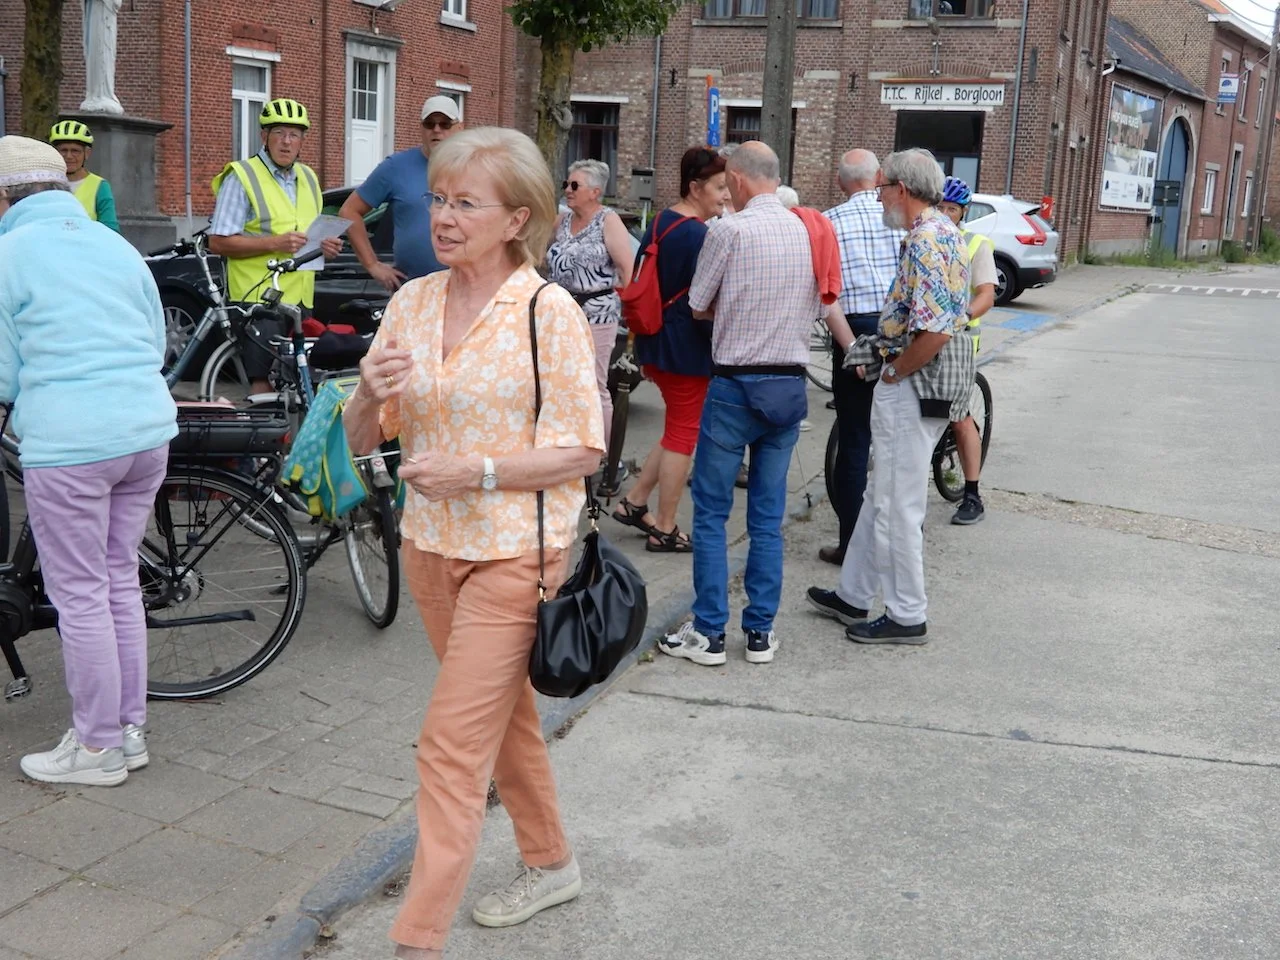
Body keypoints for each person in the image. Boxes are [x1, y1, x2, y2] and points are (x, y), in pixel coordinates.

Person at [342, 127, 605, 960]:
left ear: (516, 219)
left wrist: (477, 472)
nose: (443, 218)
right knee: (504, 718)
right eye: (437, 200)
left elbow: (583, 449)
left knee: (451, 745)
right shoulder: (412, 302)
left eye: (466, 203)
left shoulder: (546, 311)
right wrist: (363, 398)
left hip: (514, 552)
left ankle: (417, 940)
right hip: (427, 545)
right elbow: (362, 442)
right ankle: (552, 861)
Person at [0, 136, 176, 785]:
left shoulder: (8, 254)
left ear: (3, 198)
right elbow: (154, 338)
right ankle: (128, 732)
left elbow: (4, 373)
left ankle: (96, 749)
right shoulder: (116, 245)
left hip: (71, 444)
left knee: (78, 595)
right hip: (146, 432)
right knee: (117, 579)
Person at [657, 140, 820, 668]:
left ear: (740, 180)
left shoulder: (728, 231)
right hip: (788, 387)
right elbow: (818, 304)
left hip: (734, 385)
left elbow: (698, 304)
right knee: (767, 518)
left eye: (730, 182)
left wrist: (732, 308)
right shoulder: (806, 230)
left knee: (711, 513)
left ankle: (708, 632)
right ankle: (760, 634)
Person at [808, 148, 974, 645]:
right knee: (883, 494)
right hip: (926, 384)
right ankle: (853, 593)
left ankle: (906, 613)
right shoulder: (944, 230)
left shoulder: (925, 239)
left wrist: (895, 372)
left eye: (882, 188)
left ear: (901, 189)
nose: (878, 197)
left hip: (914, 385)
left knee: (897, 503)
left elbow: (935, 329)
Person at [610, 146, 729, 553]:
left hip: (655, 337)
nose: (725, 195)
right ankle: (664, 527)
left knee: (676, 427)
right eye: (719, 187)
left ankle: (635, 501)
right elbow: (706, 299)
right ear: (696, 187)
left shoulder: (662, 219)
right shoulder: (699, 235)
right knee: (683, 435)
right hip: (685, 347)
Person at [208, 98, 343, 395]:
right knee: (263, 383)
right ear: (264, 136)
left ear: (302, 141)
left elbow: (309, 234)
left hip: (300, 297)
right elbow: (217, 242)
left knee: (299, 381)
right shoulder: (242, 176)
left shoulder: (309, 177)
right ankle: (261, 429)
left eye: (294, 134)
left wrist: (325, 247)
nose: (286, 141)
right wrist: (274, 243)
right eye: (279, 133)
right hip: (258, 296)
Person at [814, 149, 904, 568]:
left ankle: (851, 544)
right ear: (879, 176)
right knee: (898, 439)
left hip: (851, 329)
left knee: (854, 440)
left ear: (839, 182)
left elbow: (826, 294)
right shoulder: (900, 218)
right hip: (897, 331)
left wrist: (852, 349)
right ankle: (900, 539)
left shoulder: (828, 222)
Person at [545, 159, 634, 452]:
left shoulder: (608, 221)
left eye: (575, 185)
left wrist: (630, 318)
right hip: (560, 313)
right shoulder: (561, 221)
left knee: (594, 384)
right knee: (558, 382)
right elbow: (537, 255)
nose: (568, 190)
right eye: (566, 184)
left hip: (597, 314)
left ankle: (601, 455)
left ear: (595, 192)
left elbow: (627, 269)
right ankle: (563, 446)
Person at [338, 95, 461, 292]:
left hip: (465, 289)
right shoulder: (396, 167)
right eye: (429, 124)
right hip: (411, 290)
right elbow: (349, 211)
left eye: (445, 124)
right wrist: (372, 265)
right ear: (421, 129)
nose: (436, 130)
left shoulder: (474, 169)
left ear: (459, 128)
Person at [937, 175, 996, 525]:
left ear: (963, 213)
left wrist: (963, 316)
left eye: (952, 209)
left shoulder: (976, 244)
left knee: (959, 417)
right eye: (940, 207)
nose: (945, 214)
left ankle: (972, 495)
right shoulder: (923, 237)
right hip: (925, 339)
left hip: (959, 342)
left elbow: (986, 294)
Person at [49, 120, 119, 232]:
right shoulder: (45, 184)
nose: (69, 156)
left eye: (75, 151)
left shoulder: (100, 186)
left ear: (87, 153)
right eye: (63, 150)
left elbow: (110, 230)